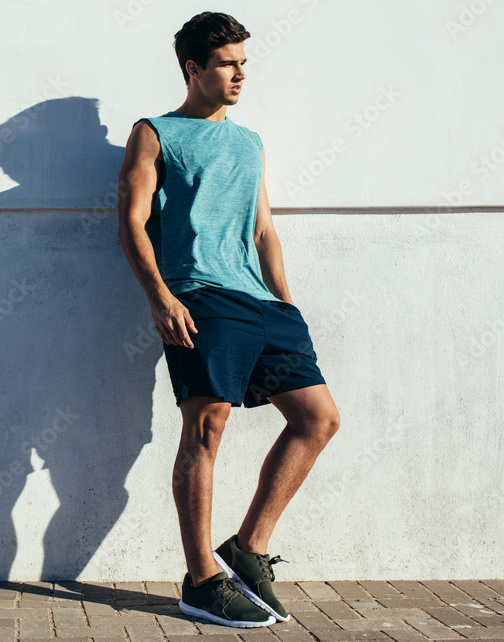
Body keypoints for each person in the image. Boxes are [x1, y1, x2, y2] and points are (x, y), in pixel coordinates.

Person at [116, 11, 341, 629]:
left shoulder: (249, 141)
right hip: (201, 297)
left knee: (318, 420)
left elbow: (264, 227)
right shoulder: (155, 132)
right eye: (227, 63)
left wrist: (286, 301)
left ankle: (248, 548)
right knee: (206, 433)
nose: (241, 74)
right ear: (194, 69)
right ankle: (200, 580)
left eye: (245, 62)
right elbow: (132, 221)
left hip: (262, 305)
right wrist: (160, 296)